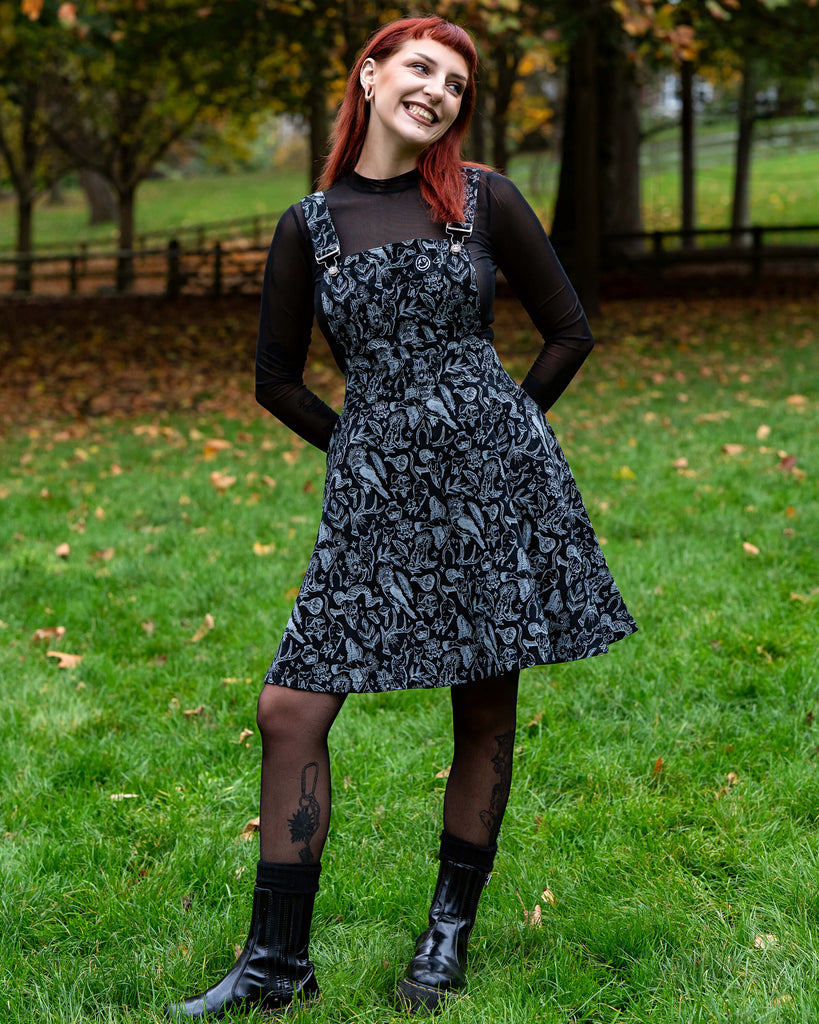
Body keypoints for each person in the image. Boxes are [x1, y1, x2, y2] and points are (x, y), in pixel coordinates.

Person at [166, 14, 636, 1020]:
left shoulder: (482, 201)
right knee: (290, 707)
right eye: (422, 69)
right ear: (371, 75)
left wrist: (501, 434)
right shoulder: (312, 225)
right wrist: (358, 446)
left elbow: (568, 332)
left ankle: (444, 940)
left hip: (491, 489)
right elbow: (274, 379)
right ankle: (275, 964)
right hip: (375, 493)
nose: (438, 92)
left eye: (457, 84)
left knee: (483, 704)